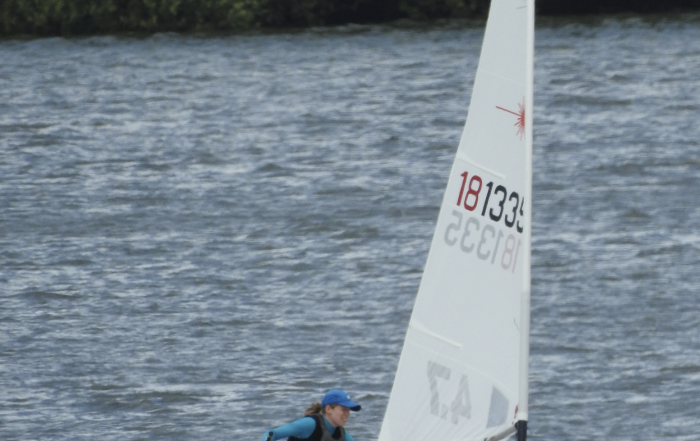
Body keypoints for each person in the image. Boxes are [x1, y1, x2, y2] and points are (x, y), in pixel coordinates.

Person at [261, 389, 361, 441]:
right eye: (343, 409)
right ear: (328, 409)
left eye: (348, 410)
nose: (347, 414)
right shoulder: (310, 424)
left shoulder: (341, 434)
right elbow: (272, 433)